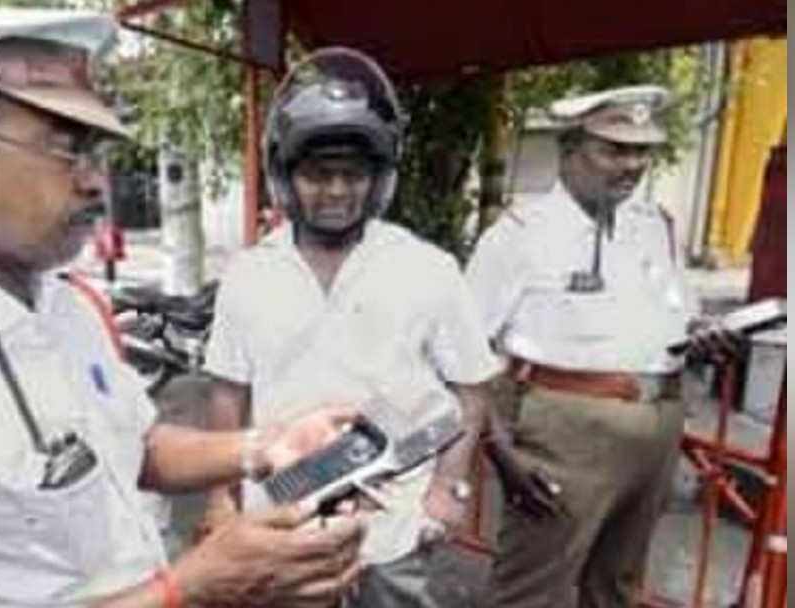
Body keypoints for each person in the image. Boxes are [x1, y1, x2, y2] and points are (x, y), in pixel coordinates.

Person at [0, 9, 364, 608]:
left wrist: (264, 447)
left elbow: (135, 447)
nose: (95, 183)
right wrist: (189, 589)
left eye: (96, 152)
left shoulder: (67, 304)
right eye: (66, 149)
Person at [202, 47, 502, 608]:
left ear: (377, 178)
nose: (337, 191)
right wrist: (220, 497)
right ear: (286, 177)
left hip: (389, 527)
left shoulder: (427, 268)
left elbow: (471, 387)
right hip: (280, 519)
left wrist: (447, 489)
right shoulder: (248, 274)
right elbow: (228, 393)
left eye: (353, 174)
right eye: (319, 174)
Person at [467, 85, 738, 608]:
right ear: (570, 150)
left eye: (640, 151)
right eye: (613, 149)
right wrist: (498, 452)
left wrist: (707, 337)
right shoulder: (520, 235)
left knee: (617, 587)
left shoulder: (653, 226)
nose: (631, 164)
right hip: (564, 433)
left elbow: (676, 318)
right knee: (531, 591)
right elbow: (466, 353)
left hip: (656, 427)